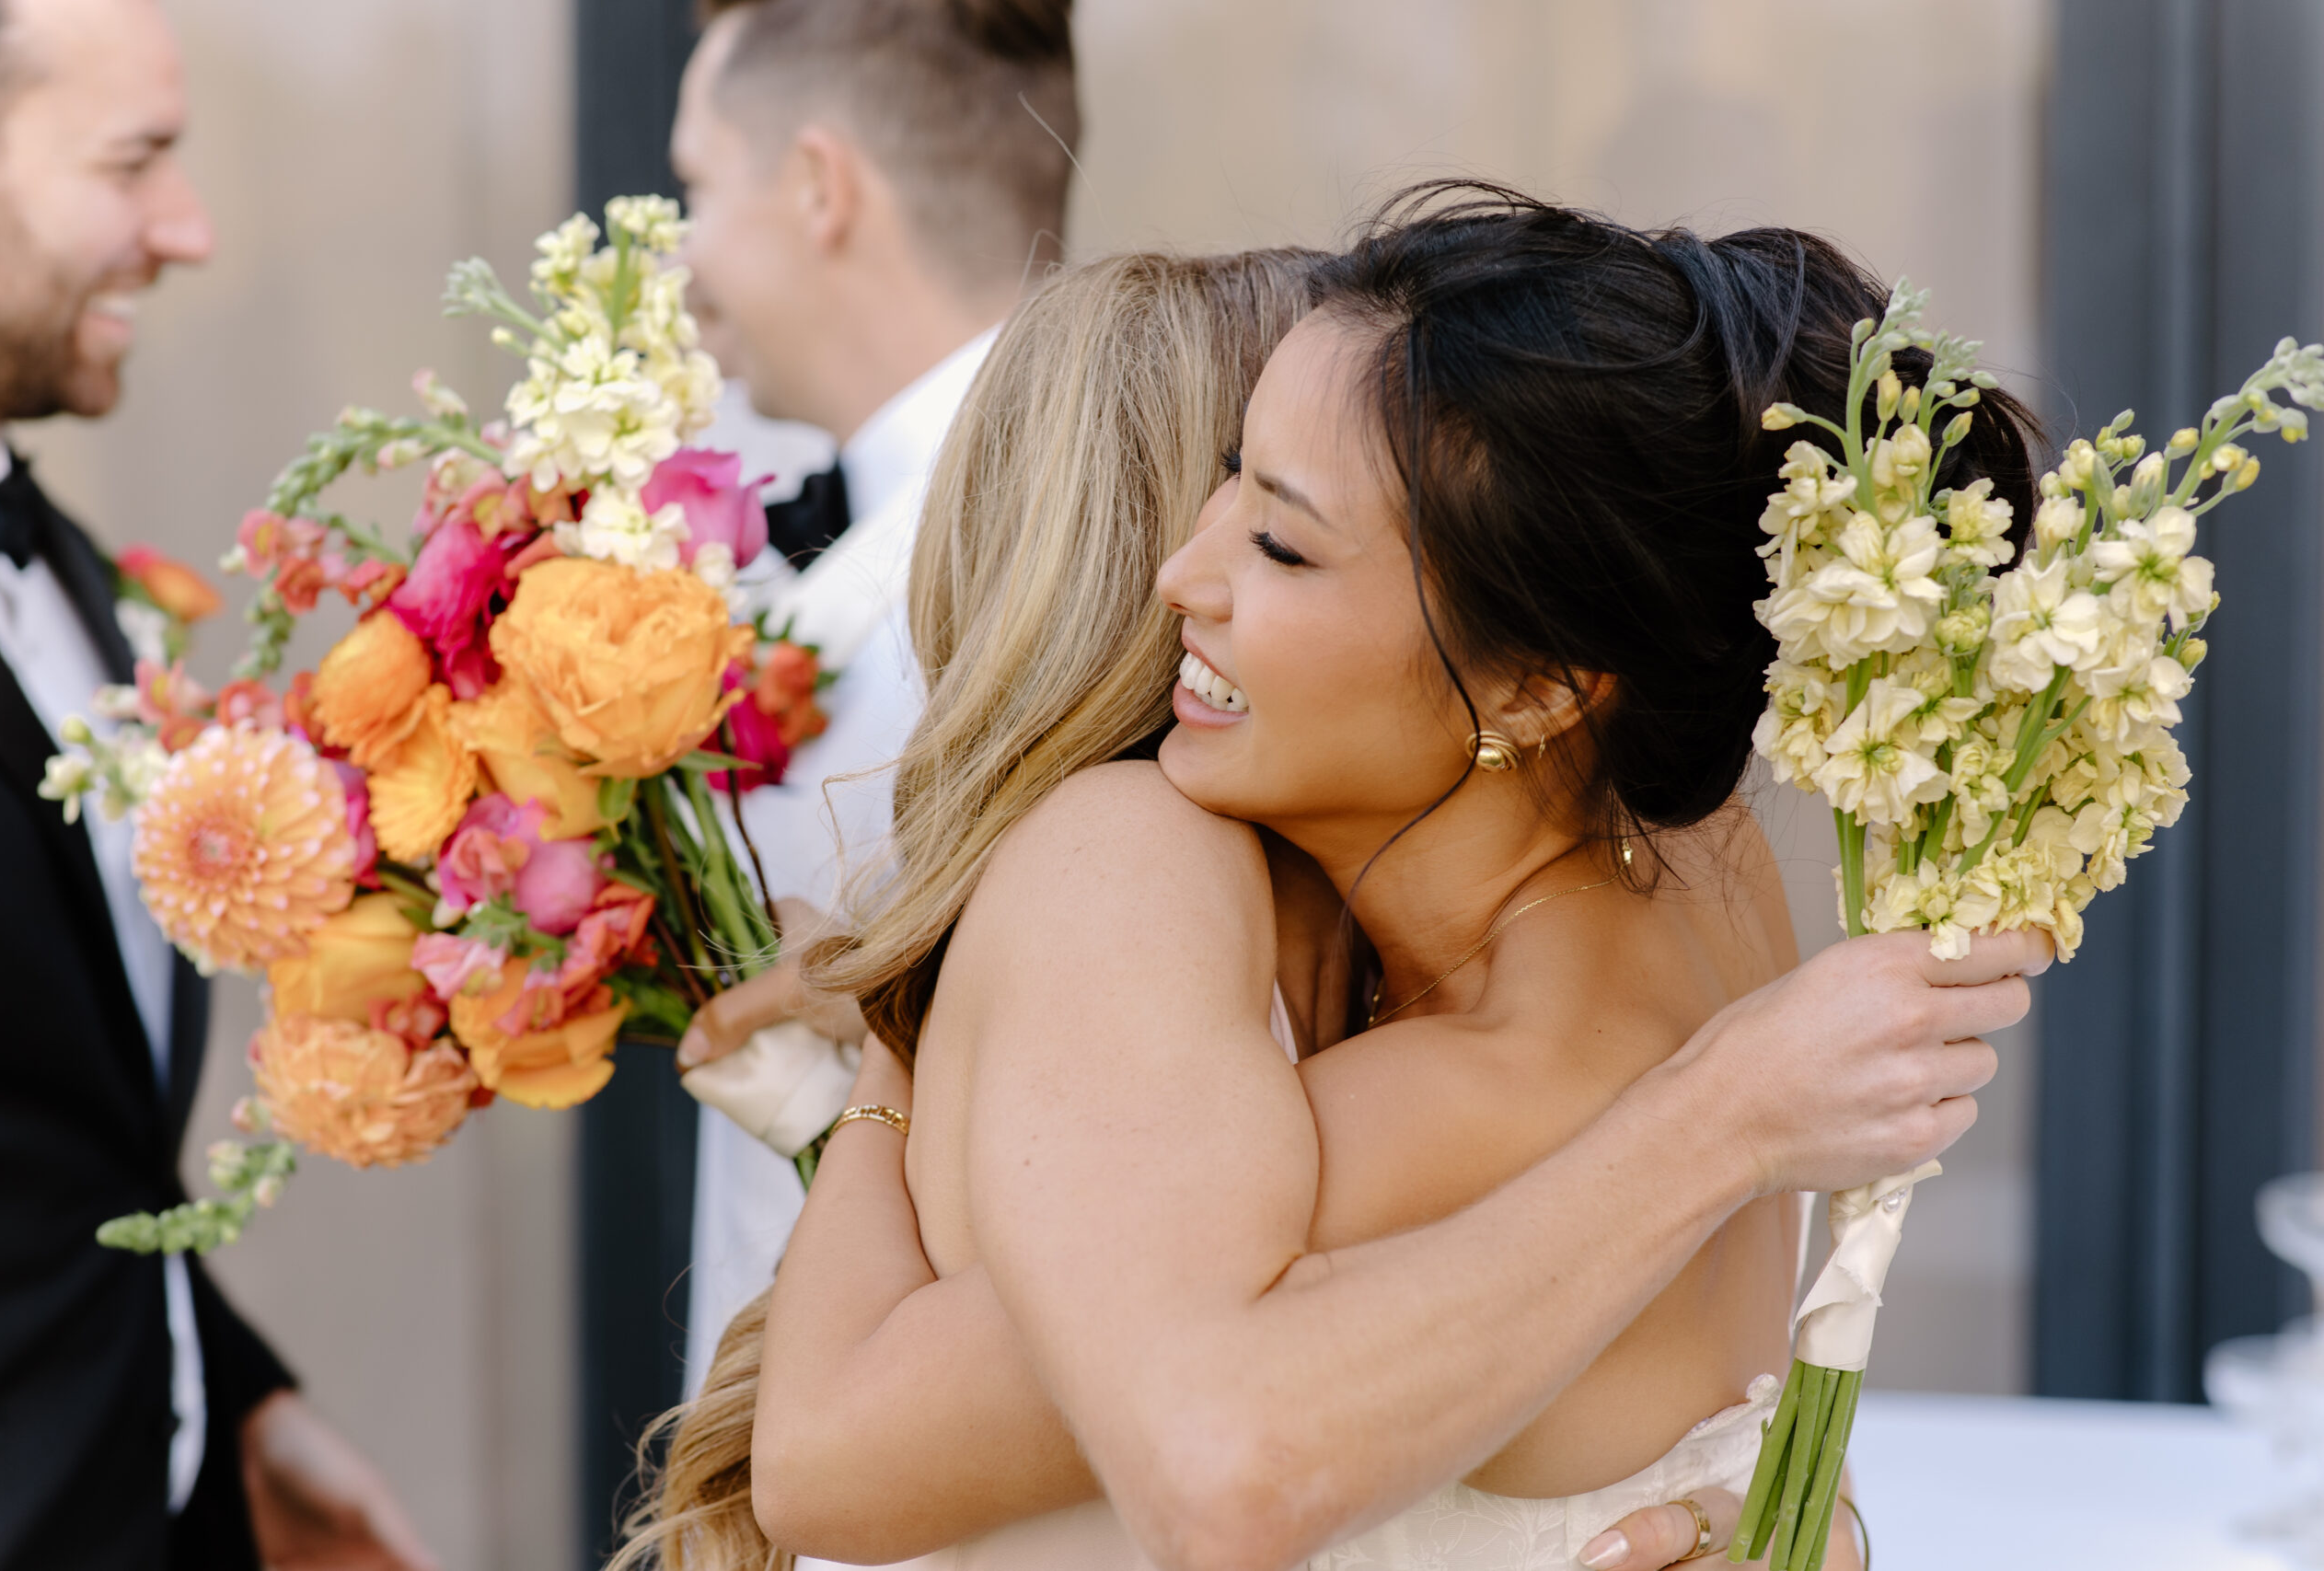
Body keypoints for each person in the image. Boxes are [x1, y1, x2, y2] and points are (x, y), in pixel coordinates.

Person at [629, 211, 2043, 1571]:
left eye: (1284, 545)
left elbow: (839, 1455)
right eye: (1226, 476)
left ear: (1542, 683)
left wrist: (904, 1037)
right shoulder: (1690, 846)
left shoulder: (1472, 1099)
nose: (1187, 572)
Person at [0, 2, 438, 1569]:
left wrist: (229, 1397)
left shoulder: (72, 577)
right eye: (134, 162)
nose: (189, 229)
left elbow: (42, 1123)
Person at [667, 0, 1082, 1391]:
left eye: (696, 190)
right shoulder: (892, 524)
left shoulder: (1042, 555)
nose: (683, 257)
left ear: (820, 187)